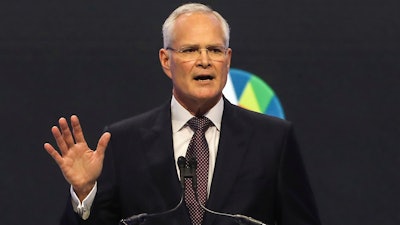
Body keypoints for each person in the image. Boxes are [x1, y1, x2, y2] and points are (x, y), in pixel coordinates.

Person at [44, 3, 321, 225]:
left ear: (228, 60)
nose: (204, 60)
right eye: (190, 50)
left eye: (215, 50)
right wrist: (84, 194)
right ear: (166, 60)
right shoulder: (123, 142)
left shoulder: (273, 140)